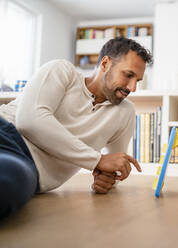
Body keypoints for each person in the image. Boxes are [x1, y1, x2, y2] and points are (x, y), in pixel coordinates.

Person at [0, 37, 152, 219]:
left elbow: (112, 166)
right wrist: (96, 161)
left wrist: (107, 179)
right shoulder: (62, 71)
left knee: (10, 183)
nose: (133, 88)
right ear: (105, 64)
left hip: (28, 167)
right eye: (128, 75)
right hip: (6, 131)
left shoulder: (125, 112)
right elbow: (30, 120)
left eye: (138, 80)